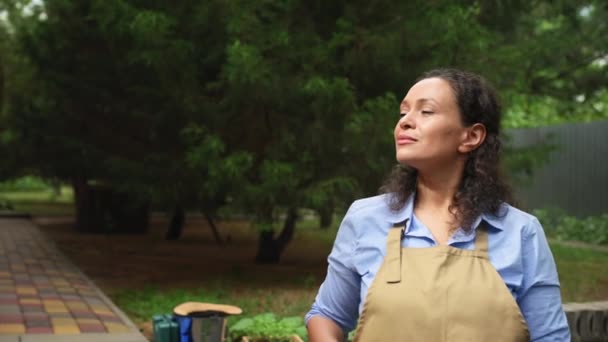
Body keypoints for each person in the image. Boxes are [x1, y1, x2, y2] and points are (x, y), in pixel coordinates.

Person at [305, 68, 570, 341]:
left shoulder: (521, 232)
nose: (405, 122)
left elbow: (551, 337)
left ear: (471, 137)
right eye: (403, 113)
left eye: (426, 111)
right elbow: (327, 316)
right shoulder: (365, 219)